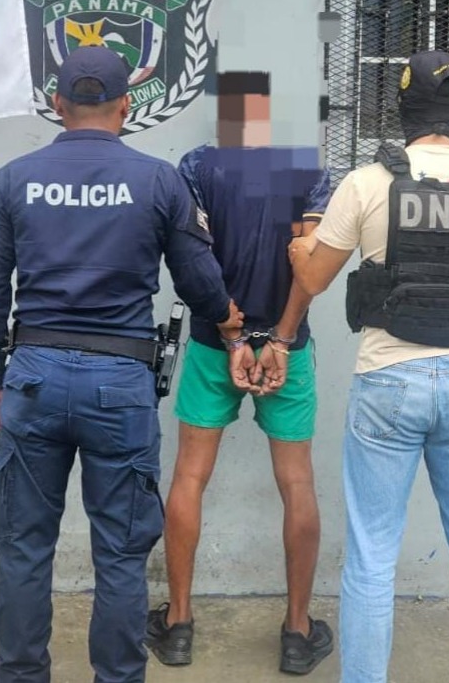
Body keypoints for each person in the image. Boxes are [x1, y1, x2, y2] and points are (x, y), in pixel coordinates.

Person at [0, 45, 242, 683]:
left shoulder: (13, 179)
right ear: (125, 105)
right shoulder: (158, 180)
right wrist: (230, 319)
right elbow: (200, 280)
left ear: (57, 104)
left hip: (33, 379)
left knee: (23, 547)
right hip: (120, 385)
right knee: (120, 553)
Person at [289, 50, 449, 683]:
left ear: (400, 109)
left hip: (388, 380)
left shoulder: (367, 183)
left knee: (372, 561)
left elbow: (313, 279)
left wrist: (300, 248)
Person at [145, 71, 334, 675]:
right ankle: (297, 632)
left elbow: (190, 259)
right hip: (287, 349)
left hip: (212, 344)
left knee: (189, 476)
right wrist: (279, 338)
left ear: (224, 115)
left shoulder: (196, 167)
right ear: (266, 116)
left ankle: (178, 624)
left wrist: (232, 335)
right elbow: (309, 266)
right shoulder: (305, 170)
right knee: (297, 482)